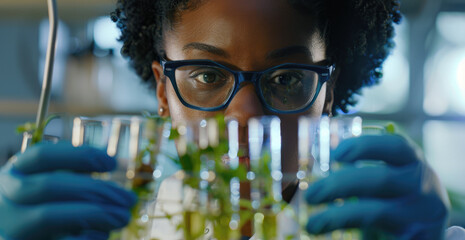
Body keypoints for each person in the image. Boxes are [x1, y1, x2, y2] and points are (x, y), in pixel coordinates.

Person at [0, 0, 463, 239]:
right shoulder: (112, 229)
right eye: (207, 74)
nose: (244, 117)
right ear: (164, 91)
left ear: (328, 93)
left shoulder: (376, 231)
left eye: (286, 78)